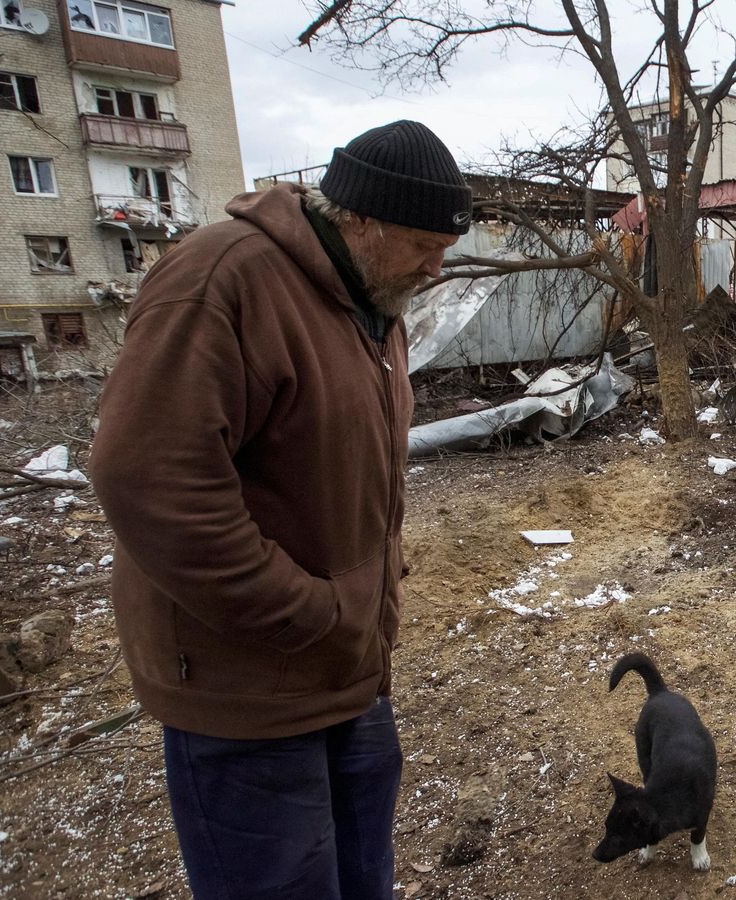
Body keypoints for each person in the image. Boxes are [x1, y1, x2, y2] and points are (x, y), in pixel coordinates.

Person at [90, 121, 471, 900]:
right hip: (248, 688)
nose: (438, 268)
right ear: (360, 220)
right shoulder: (223, 280)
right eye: (424, 244)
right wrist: (307, 610)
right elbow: (151, 482)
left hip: (348, 671)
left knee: (364, 880)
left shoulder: (374, 294)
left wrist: (366, 598)